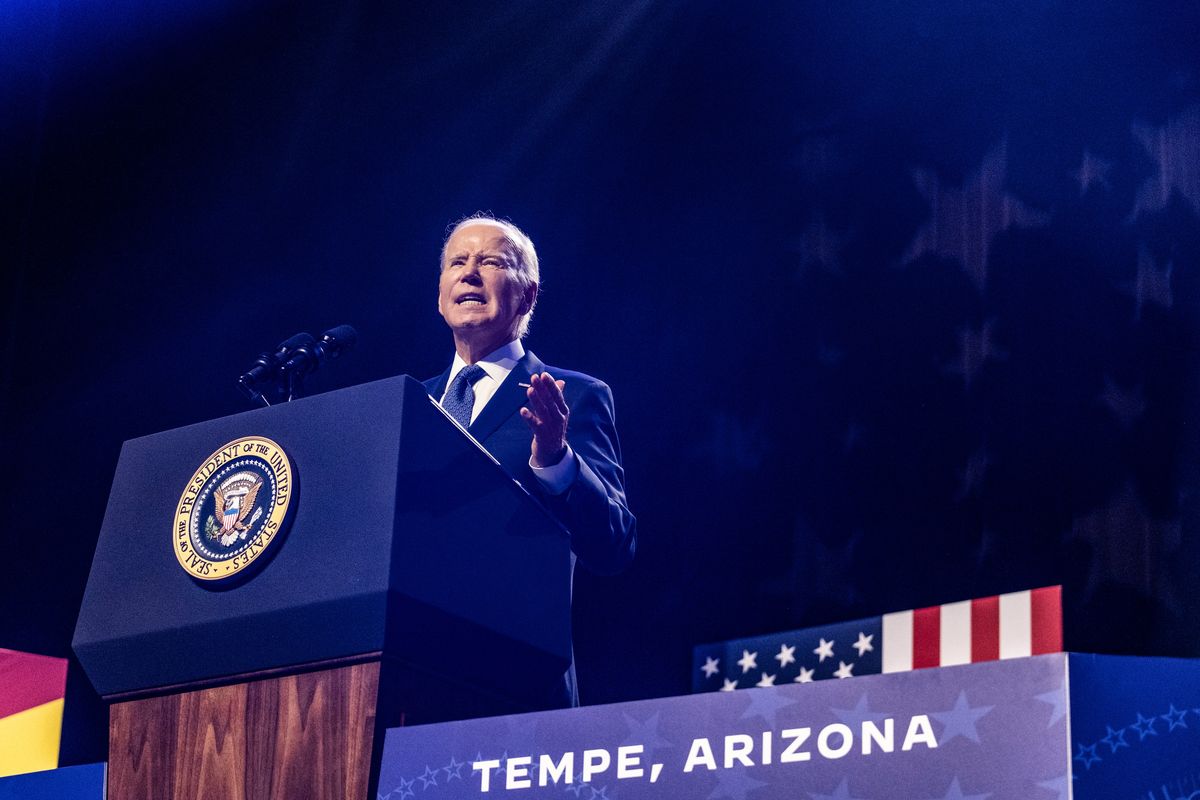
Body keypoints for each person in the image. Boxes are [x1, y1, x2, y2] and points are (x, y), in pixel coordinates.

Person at [423, 214, 636, 707]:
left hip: (516, 689)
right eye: (457, 262)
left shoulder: (573, 396)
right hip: (406, 680)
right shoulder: (408, 407)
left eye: (491, 262)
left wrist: (556, 457)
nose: (469, 273)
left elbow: (615, 545)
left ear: (529, 295)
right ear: (440, 293)